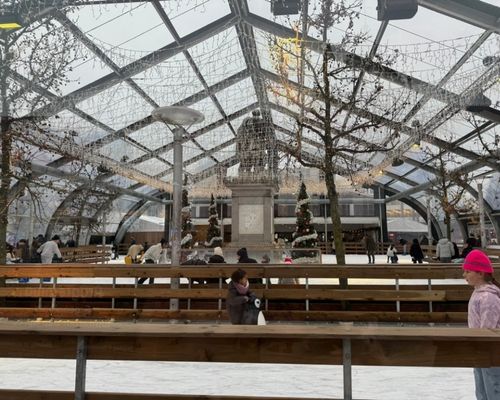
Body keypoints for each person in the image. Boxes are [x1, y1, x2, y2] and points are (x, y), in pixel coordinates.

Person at [462, 250, 500, 400]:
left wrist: (480, 346)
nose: (464, 275)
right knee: (482, 389)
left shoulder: (488, 297)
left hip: (492, 353)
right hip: (480, 351)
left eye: (467, 271)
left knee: (494, 388)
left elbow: (488, 330)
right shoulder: (478, 293)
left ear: (481, 273)